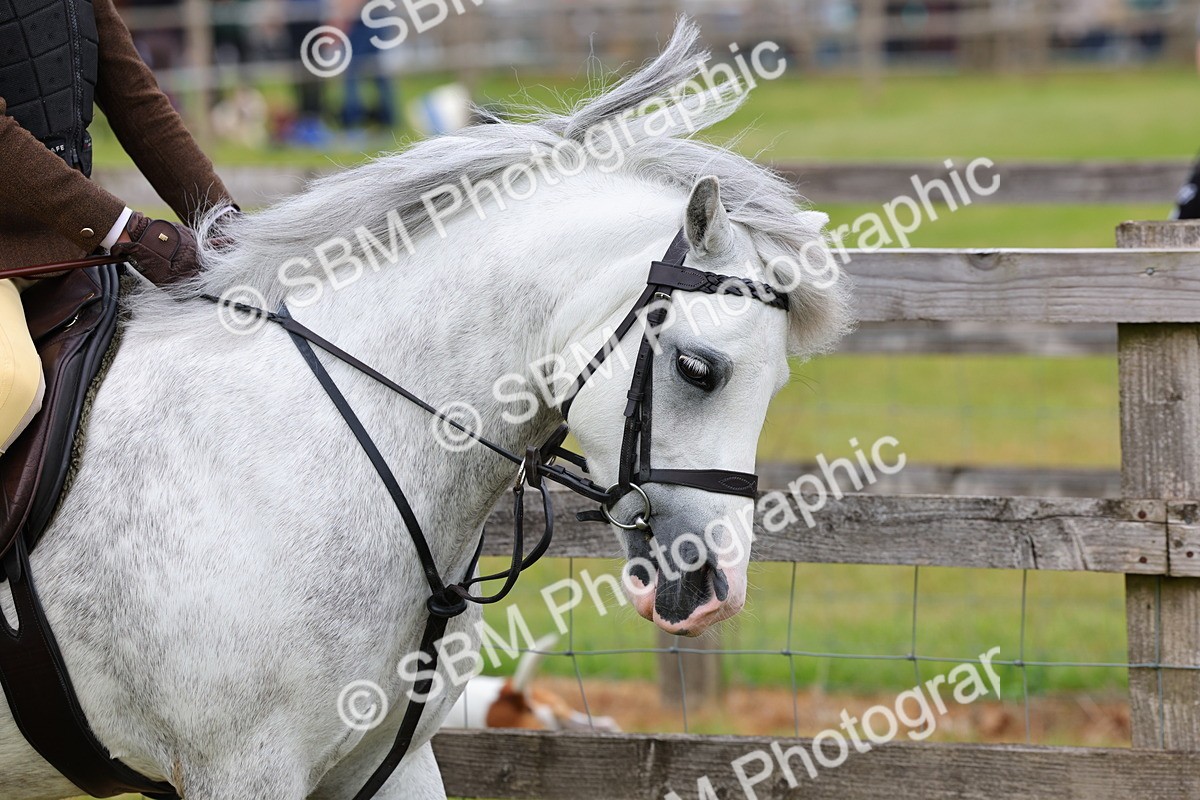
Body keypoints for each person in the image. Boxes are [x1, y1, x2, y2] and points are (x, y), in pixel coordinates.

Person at [0, 0, 235, 454]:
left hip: (65, 245)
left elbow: (137, 102)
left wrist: (223, 219)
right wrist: (124, 229)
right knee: (12, 384)